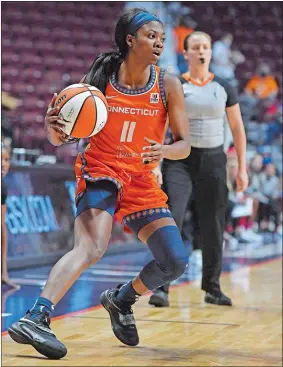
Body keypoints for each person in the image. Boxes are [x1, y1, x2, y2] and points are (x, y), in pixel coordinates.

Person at [8, 8, 190, 359]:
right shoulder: (102, 78)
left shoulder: (168, 84)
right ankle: (36, 317)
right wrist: (54, 128)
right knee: (91, 247)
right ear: (130, 39)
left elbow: (185, 145)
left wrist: (165, 149)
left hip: (140, 177)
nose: (159, 43)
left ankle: (122, 300)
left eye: (162, 38)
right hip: (101, 170)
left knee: (175, 261)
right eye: (152, 35)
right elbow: (62, 136)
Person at [149, 31, 249, 308]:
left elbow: (238, 128)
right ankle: (162, 287)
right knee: (171, 221)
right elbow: (161, 126)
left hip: (214, 160)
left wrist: (242, 168)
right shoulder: (175, 85)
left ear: (209, 52)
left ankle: (213, 287)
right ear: (186, 54)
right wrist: (156, 164)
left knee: (213, 225)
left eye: (205, 47)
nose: (202, 51)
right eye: (196, 47)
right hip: (180, 160)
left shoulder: (225, 86)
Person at [1, 143, 20, 289]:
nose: (3, 164)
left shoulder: (3, 187)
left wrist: (4, 273)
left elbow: (2, 228)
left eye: (6, 160)